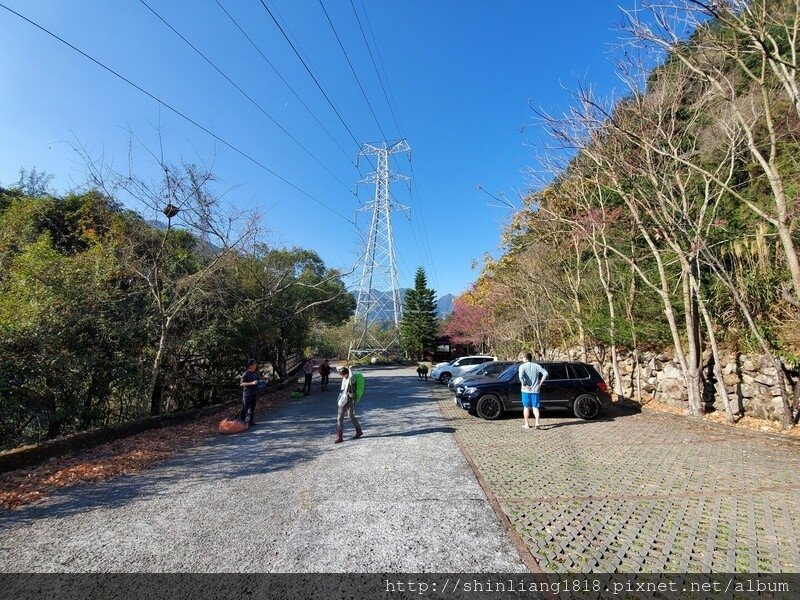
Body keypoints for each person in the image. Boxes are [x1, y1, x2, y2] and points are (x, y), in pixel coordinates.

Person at [518, 352, 548, 430]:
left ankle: (527, 424)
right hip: (535, 390)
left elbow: (520, 376)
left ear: (525, 358)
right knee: (535, 407)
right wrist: (540, 383)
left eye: (522, 358)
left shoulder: (522, 366)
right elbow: (545, 373)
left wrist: (524, 383)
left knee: (526, 407)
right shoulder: (537, 366)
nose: (522, 359)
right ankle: (537, 423)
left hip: (525, 391)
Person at [334, 367, 362, 443]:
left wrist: (350, 369)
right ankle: (340, 437)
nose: (341, 376)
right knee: (339, 418)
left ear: (346, 374)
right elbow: (338, 368)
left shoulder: (351, 379)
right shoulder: (344, 379)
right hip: (342, 398)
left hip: (350, 399)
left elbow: (352, 378)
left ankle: (359, 431)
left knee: (351, 417)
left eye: (342, 375)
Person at [239, 358, 261, 426]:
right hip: (247, 394)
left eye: (255, 365)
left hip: (254, 392)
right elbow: (241, 384)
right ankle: (241, 421)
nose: (255, 366)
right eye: (254, 365)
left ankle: (250, 421)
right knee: (245, 407)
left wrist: (263, 382)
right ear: (250, 366)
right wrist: (252, 383)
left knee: (252, 408)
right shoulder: (246, 373)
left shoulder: (256, 373)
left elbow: (257, 381)